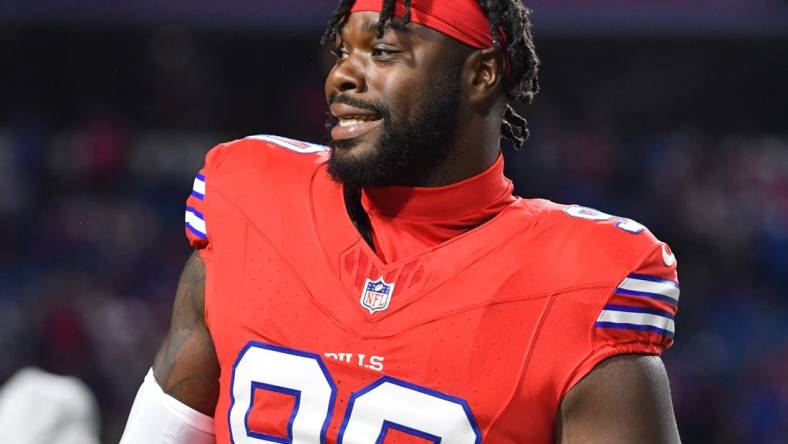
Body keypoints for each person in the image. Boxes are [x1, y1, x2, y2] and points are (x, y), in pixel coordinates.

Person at [121, 0, 682, 442]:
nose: (341, 75)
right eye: (344, 50)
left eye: (383, 51)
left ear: (482, 74)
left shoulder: (584, 283)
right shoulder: (247, 199)